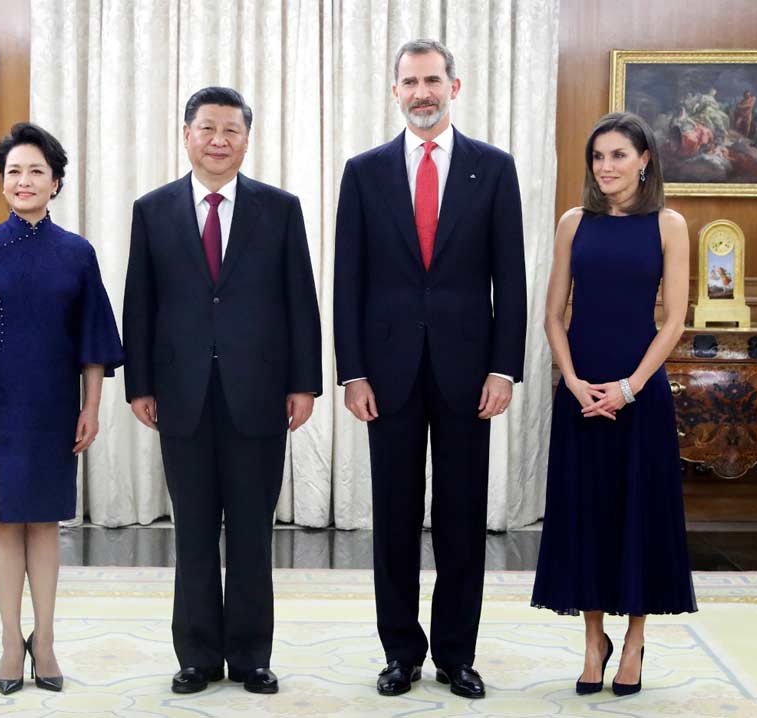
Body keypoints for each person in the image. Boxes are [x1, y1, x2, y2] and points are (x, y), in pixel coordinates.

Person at [333, 39, 527, 700]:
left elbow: (513, 280)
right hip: (385, 375)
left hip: (469, 373)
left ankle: (456, 654)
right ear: (395, 91)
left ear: (455, 86)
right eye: (410, 81)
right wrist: (352, 372)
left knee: (462, 517)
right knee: (392, 516)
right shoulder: (363, 172)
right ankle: (399, 653)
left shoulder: (494, 169)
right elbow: (347, 281)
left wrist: (504, 368)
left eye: (433, 80)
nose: (422, 92)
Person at [123, 86, 322, 696]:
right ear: (186, 135)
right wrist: (140, 384)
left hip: (259, 393)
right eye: (207, 128)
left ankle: (251, 655)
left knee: (253, 531)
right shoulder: (152, 209)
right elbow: (141, 303)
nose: (218, 140)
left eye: (230, 130)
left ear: (246, 139)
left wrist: (304, 384)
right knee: (194, 530)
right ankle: (198, 657)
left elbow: (300, 302)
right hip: (180, 394)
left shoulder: (279, 208)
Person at [0, 122, 123, 695]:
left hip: (53, 406)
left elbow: (93, 339)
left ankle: (43, 639)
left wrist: (91, 406)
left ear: (56, 182)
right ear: (2, 183)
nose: (24, 180)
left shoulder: (77, 253)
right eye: (14, 171)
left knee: (44, 521)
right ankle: (7, 639)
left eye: (36, 171)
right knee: (2, 522)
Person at [530, 112, 697, 697]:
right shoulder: (574, 222)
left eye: (618, 155)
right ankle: (592, 641)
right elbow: (553, 315)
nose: (606, 167)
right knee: (589, 513)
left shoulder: (670, 224)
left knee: (638, 512)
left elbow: (674, 318)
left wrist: (629, 387)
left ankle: (634, 642)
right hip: (581, 391)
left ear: (645, 159)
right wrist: (573, 381)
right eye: (598, 157)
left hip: (639, 390)